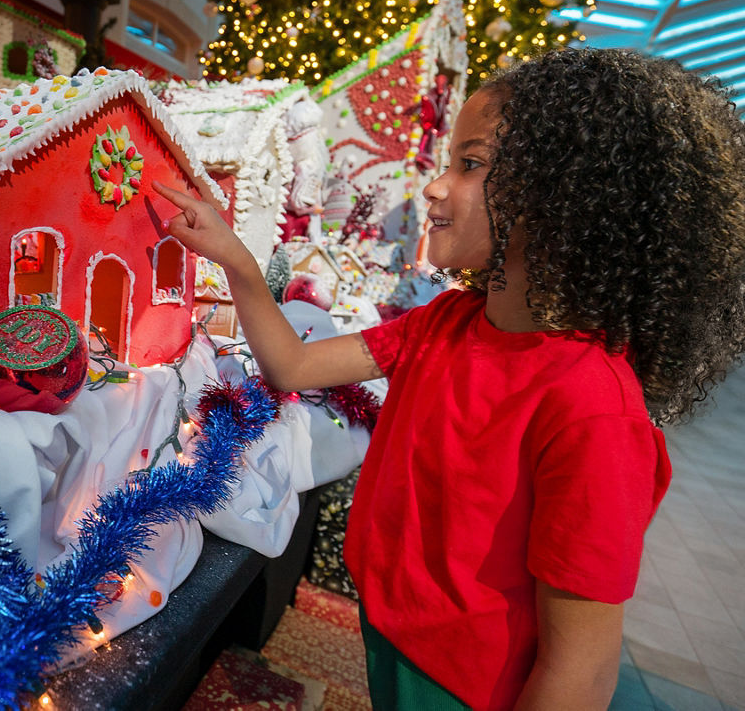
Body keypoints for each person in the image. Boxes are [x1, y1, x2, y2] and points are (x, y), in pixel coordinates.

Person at [155, 48, 745, 710]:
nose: (434, 187)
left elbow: (580, 672)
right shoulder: (441, 323)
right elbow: (294, 365)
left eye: (470, 164)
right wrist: (235, 255)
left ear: (562, 199)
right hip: (390, 637)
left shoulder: (592, 407)